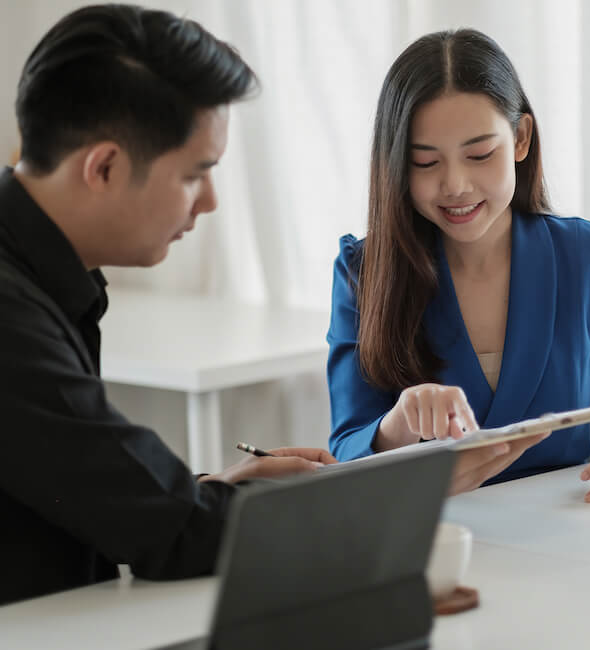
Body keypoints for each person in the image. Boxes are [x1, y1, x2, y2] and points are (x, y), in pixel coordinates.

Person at [0, 5, 512, 607]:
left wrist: (211, 490)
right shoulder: (13, 316)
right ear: (105, 167)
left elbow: (85, 487)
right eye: (197, 174)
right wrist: (384, 491)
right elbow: (167, 535)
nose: (211, 202)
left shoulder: (39, 276)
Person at [328, 28, 590, 502]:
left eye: (480, 154)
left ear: (521, 138)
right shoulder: (363, 273)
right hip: (437, 542)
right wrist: (396, 427)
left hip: (572, 535)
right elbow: (345, 449)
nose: (456, 185)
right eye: (425, 163)